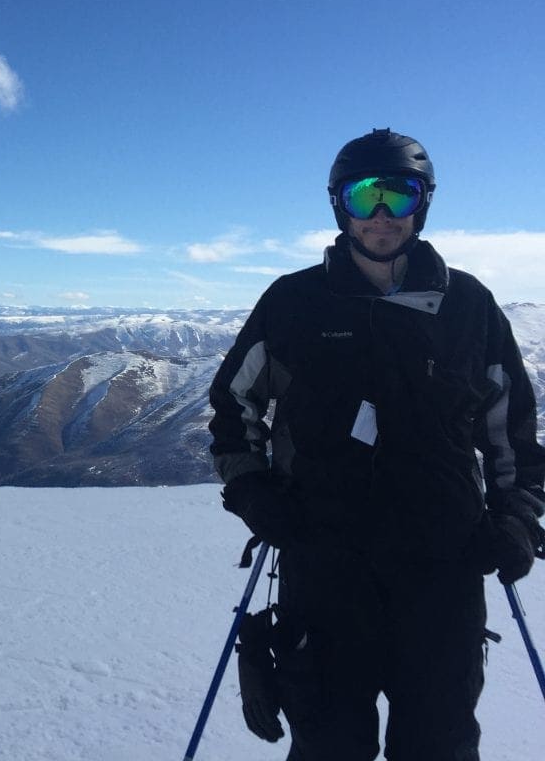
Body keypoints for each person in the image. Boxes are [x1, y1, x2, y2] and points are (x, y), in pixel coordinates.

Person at [208, 128, 545, 761]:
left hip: (443, 566)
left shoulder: (468, 306)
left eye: (401, 194)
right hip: (324, 561)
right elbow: (233, 404)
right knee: (330, 743)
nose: (384, 214)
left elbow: (511, 430)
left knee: (439, 745)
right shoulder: (294, 303)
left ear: (425, 202)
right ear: (341, 205)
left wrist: (518, 518)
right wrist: (253, 488)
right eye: (367, 197)